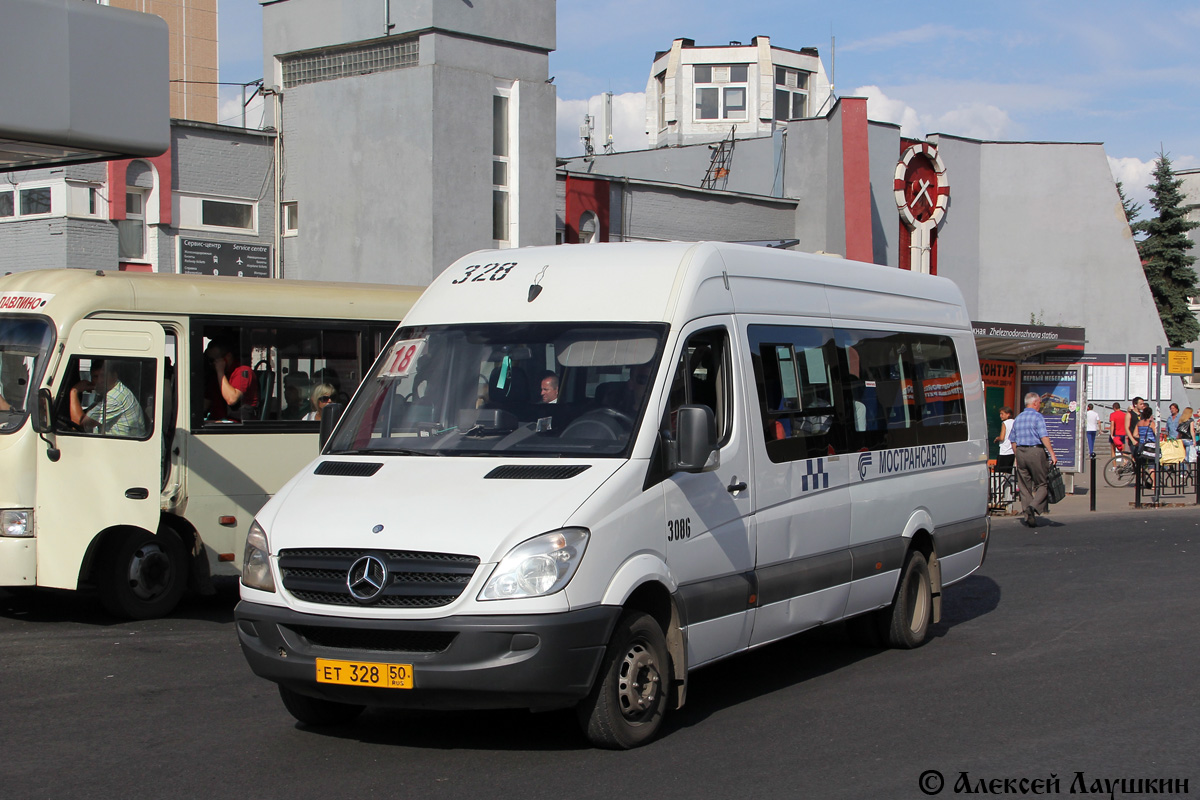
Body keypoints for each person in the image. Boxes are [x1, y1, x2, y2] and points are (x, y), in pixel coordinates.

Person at [1009, 392, 1057, 527]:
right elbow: (1044, 436)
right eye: (1040, 403)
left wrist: (1017, 455)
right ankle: (1033, 506)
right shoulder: (1037, 417)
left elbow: (1013, 440)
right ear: (1035, 403)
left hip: (1020, 452)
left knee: (1024, 485)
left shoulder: (1018, 418)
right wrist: (1052, 454)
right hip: (1036, 451)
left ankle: (1027, 516)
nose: (1040, 406)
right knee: (1042, 483)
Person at [69, 359, 147, 438]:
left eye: (103, 376)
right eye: (95, 377)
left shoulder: (114, 397)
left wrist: (74, 391)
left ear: (114, 376)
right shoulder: (112, 390)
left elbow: (78, 424)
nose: (100, 381)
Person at [204, 338, 259, 421]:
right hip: (215, 422)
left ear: (228, 357)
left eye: (213, 360)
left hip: (235, 426)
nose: (212, 364)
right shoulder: (214, 377)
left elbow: (232, 399)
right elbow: (205, 404)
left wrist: (220, 372)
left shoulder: (243, 371)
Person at [1138, 406, 1158, 489]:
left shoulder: (1139, 423)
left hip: (1141, 445)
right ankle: (1154, 484)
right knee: (1151, 465)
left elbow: (1135, 434)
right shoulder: (1151, 423)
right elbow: (1156, 433)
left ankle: (1144, 481)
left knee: (1141, 465)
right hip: (1150, 445)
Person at [993, 406, 1015, 474]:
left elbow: (1002, 437)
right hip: (1012, 451)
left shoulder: (1004, 423)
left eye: (1002, 414)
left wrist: (997, 438)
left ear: (1008, 414)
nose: (1000, 416)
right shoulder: (1015, 422)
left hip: (1004, 451)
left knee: (1000, 473)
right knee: (1009, 471)